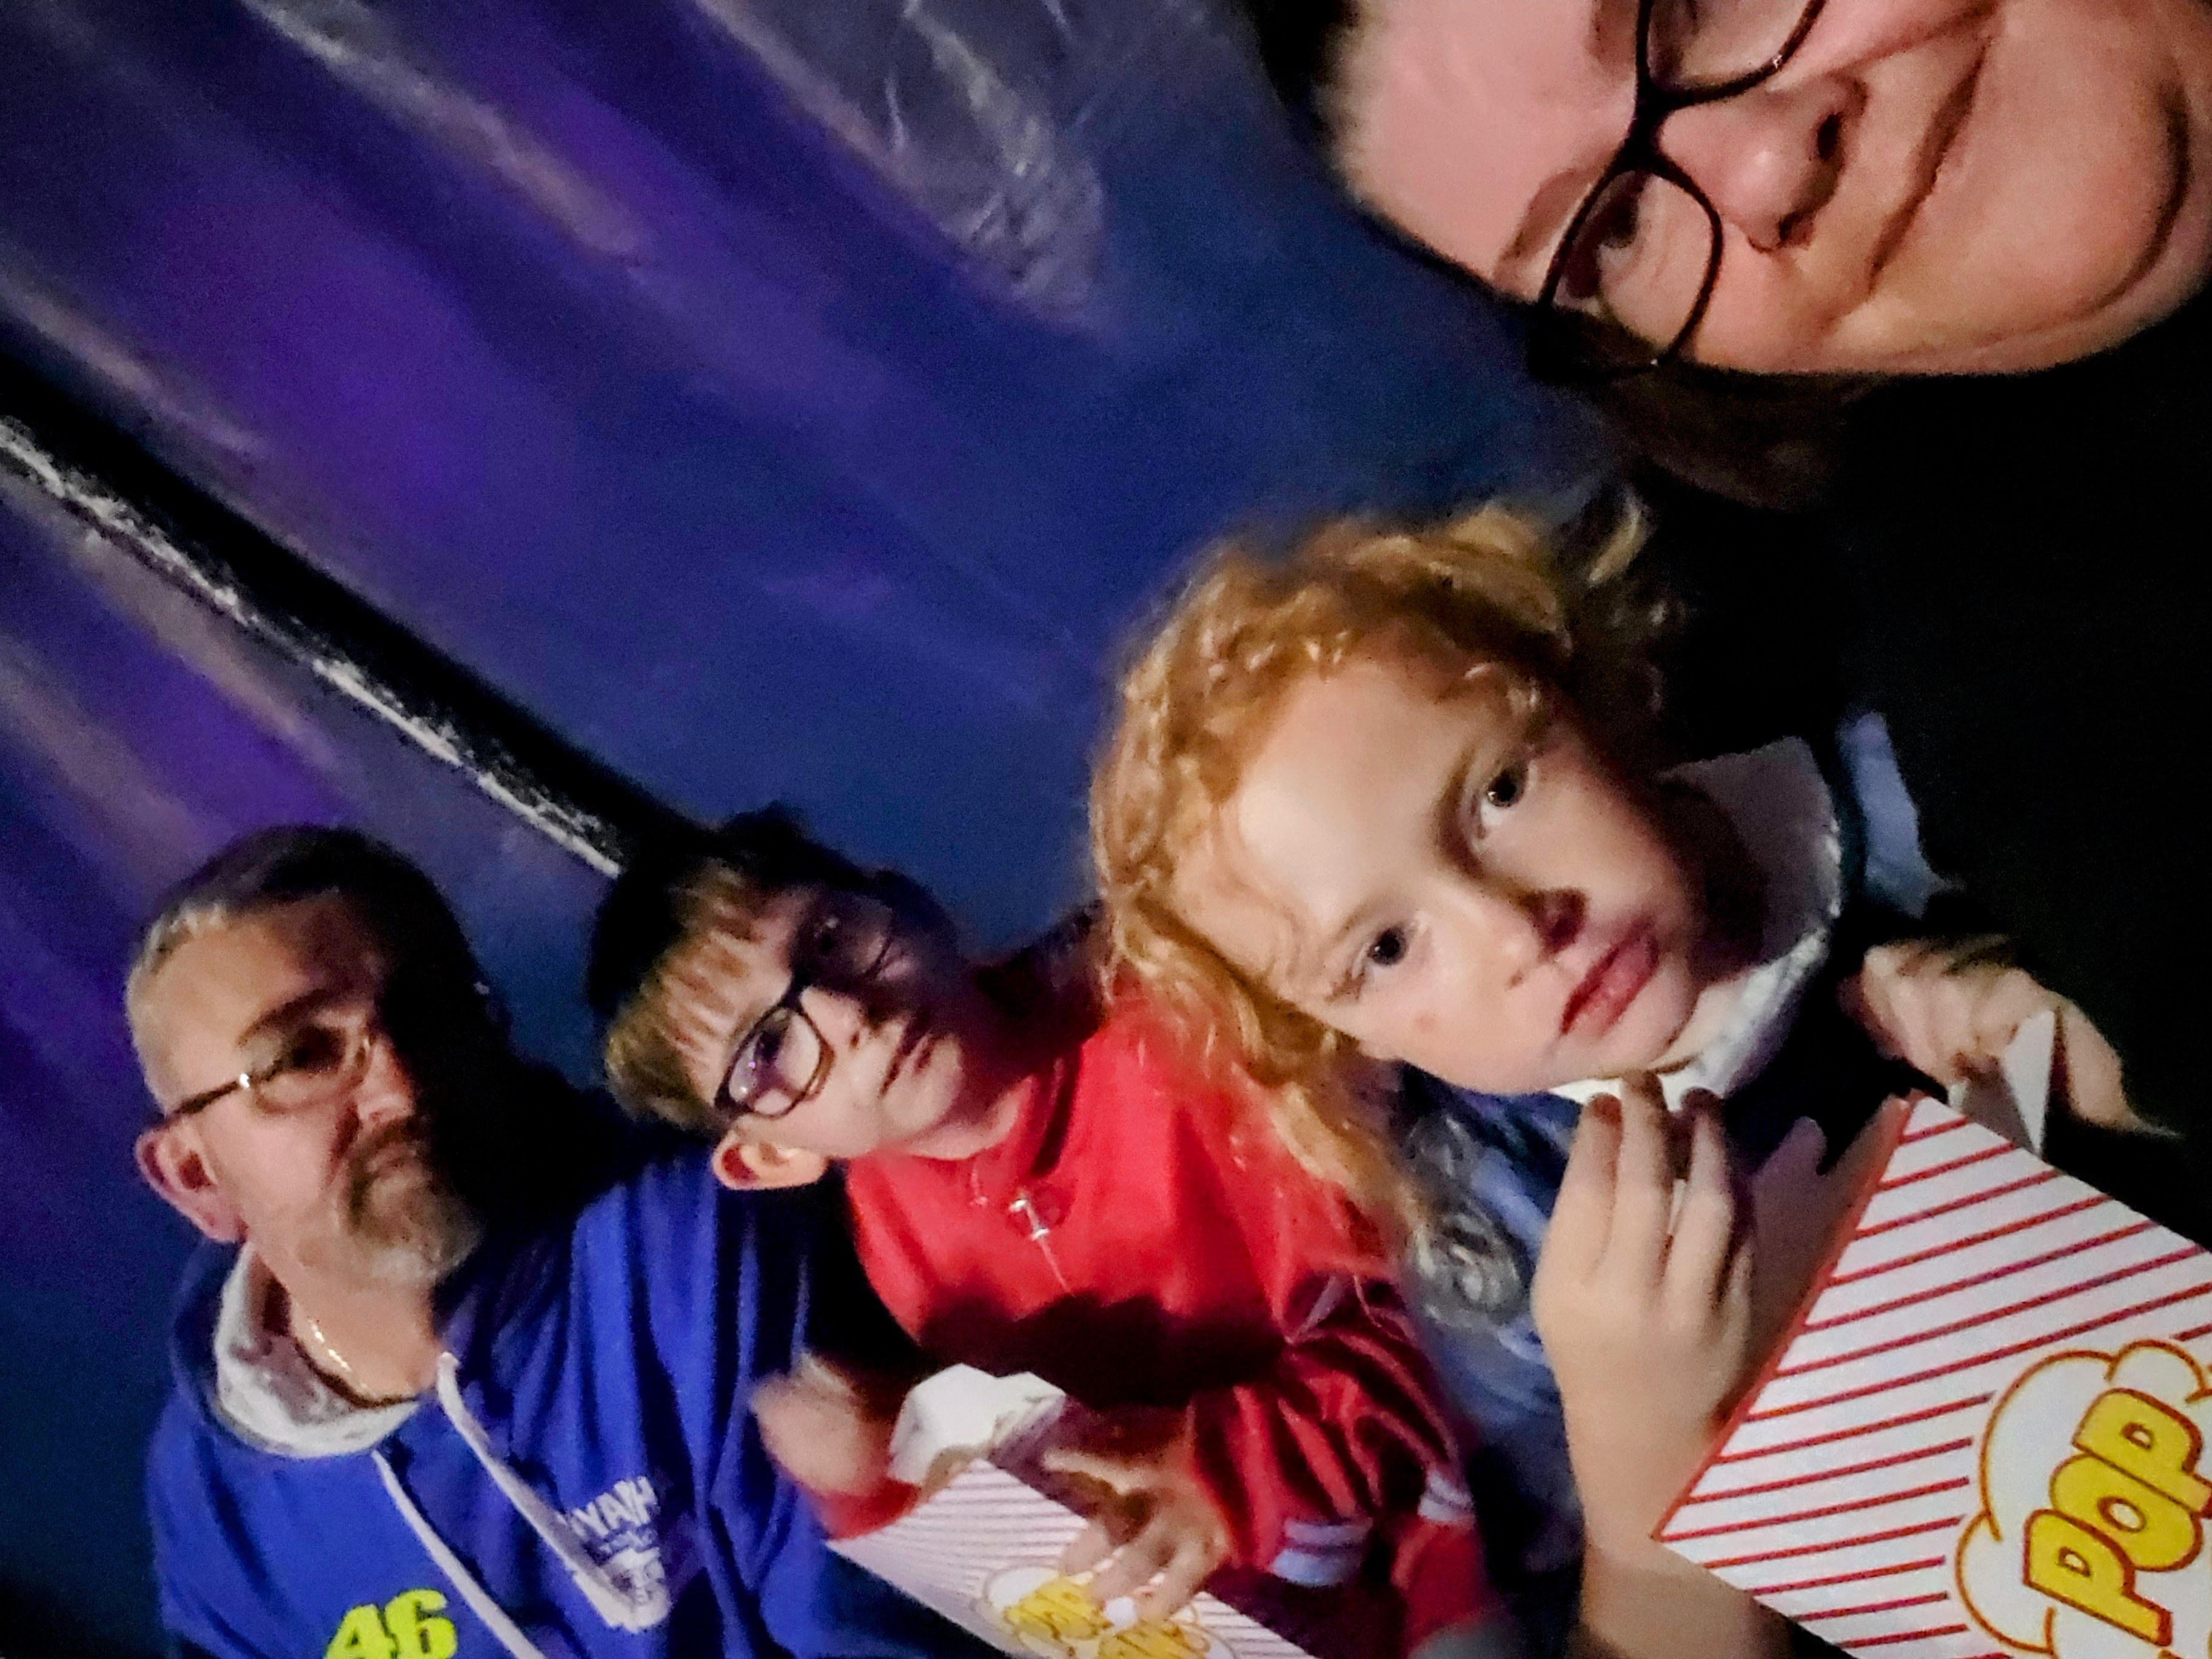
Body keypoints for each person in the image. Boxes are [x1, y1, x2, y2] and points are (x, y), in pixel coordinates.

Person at [1088, 503, 2131, 1658]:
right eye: (1384, 949)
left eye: (1499, 793)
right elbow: (1591, 1598)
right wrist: (1644, 1454)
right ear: (1341, 1044)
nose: (1515, 930)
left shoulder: (1925, 799)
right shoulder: (1498, 1229)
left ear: (1584, 694)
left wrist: (2108, 1065)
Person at [1224, 0, 2212, 1199]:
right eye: (1617, 228)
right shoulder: (2044, 691)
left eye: (1696, 8)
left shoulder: (1864, 819)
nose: (1762, 174)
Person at [586, 811, 1510, 1659]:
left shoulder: (1183, 1014)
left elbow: (1469, 1321)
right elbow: (1079, 1540)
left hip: (1475, 1533)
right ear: (770, 1157)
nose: (849, 1015)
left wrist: (1226, 1471)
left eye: (829, 940)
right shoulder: (893, 1240)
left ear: (909, 899)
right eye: (768, 1051)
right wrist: (885, 1481)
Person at [130, 826, 980, 1659]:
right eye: (303, 1056)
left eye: (430, 1011)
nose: (399, 1087)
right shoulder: (214, 1509)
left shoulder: (697, 1243)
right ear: (195, 1176)